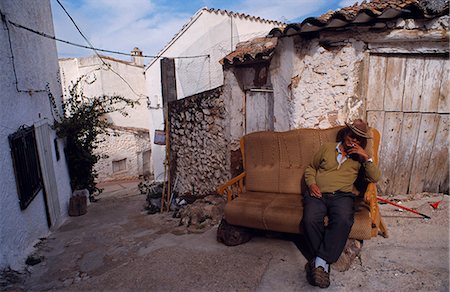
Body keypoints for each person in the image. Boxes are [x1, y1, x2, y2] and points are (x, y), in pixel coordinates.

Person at [302, 119, 381, 288]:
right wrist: (311, 184)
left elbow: (374, 177)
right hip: (318, 193)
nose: (354, 140)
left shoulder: (360, 158)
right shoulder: (327, 148)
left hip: (342, 196)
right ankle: (323, 264)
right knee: (310, 219)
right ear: (345, 133)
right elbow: (310, 168)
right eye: (352, 135)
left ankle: (319, 262)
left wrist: (366, 158)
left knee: (344, 220)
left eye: (359, 138)